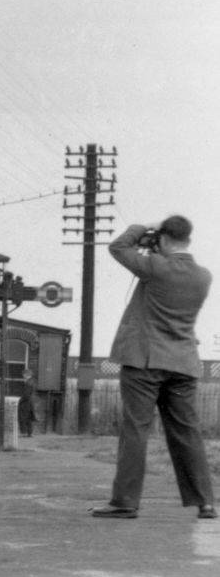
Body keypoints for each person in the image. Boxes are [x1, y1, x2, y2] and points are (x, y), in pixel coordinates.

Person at [92, 216, 216, 519]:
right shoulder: (203, 276)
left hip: (144, 361)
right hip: (184, 362)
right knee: (188, 433)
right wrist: (158, 241)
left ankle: (124, 502)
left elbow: (118, 247)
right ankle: (206, 502)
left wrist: (142, 227)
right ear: (188, 238)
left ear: (162, 239)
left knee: (136, 430)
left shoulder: (155, 268)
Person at [16, 369, 37, 438]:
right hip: (30, 402)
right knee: (29, 418)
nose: (23, 376)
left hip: (25, 403)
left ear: (26, 375)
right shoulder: (32, 381)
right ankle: (29, 433)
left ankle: (23, 433)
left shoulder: (28, 383)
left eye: (23, 375)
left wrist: (20, 400)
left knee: (23, 417)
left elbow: (26, 394)